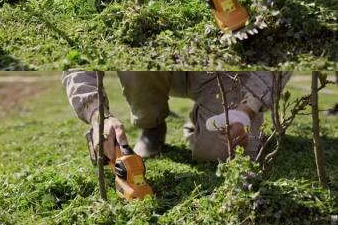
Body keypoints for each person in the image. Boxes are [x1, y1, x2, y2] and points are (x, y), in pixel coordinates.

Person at [63, 71, 290, 162]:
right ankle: (152, 125)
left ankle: (200, 122)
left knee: (221, 153)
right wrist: (97, 116)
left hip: (226, 74)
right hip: (157, 70)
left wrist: (247, 108)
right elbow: (77, 63)